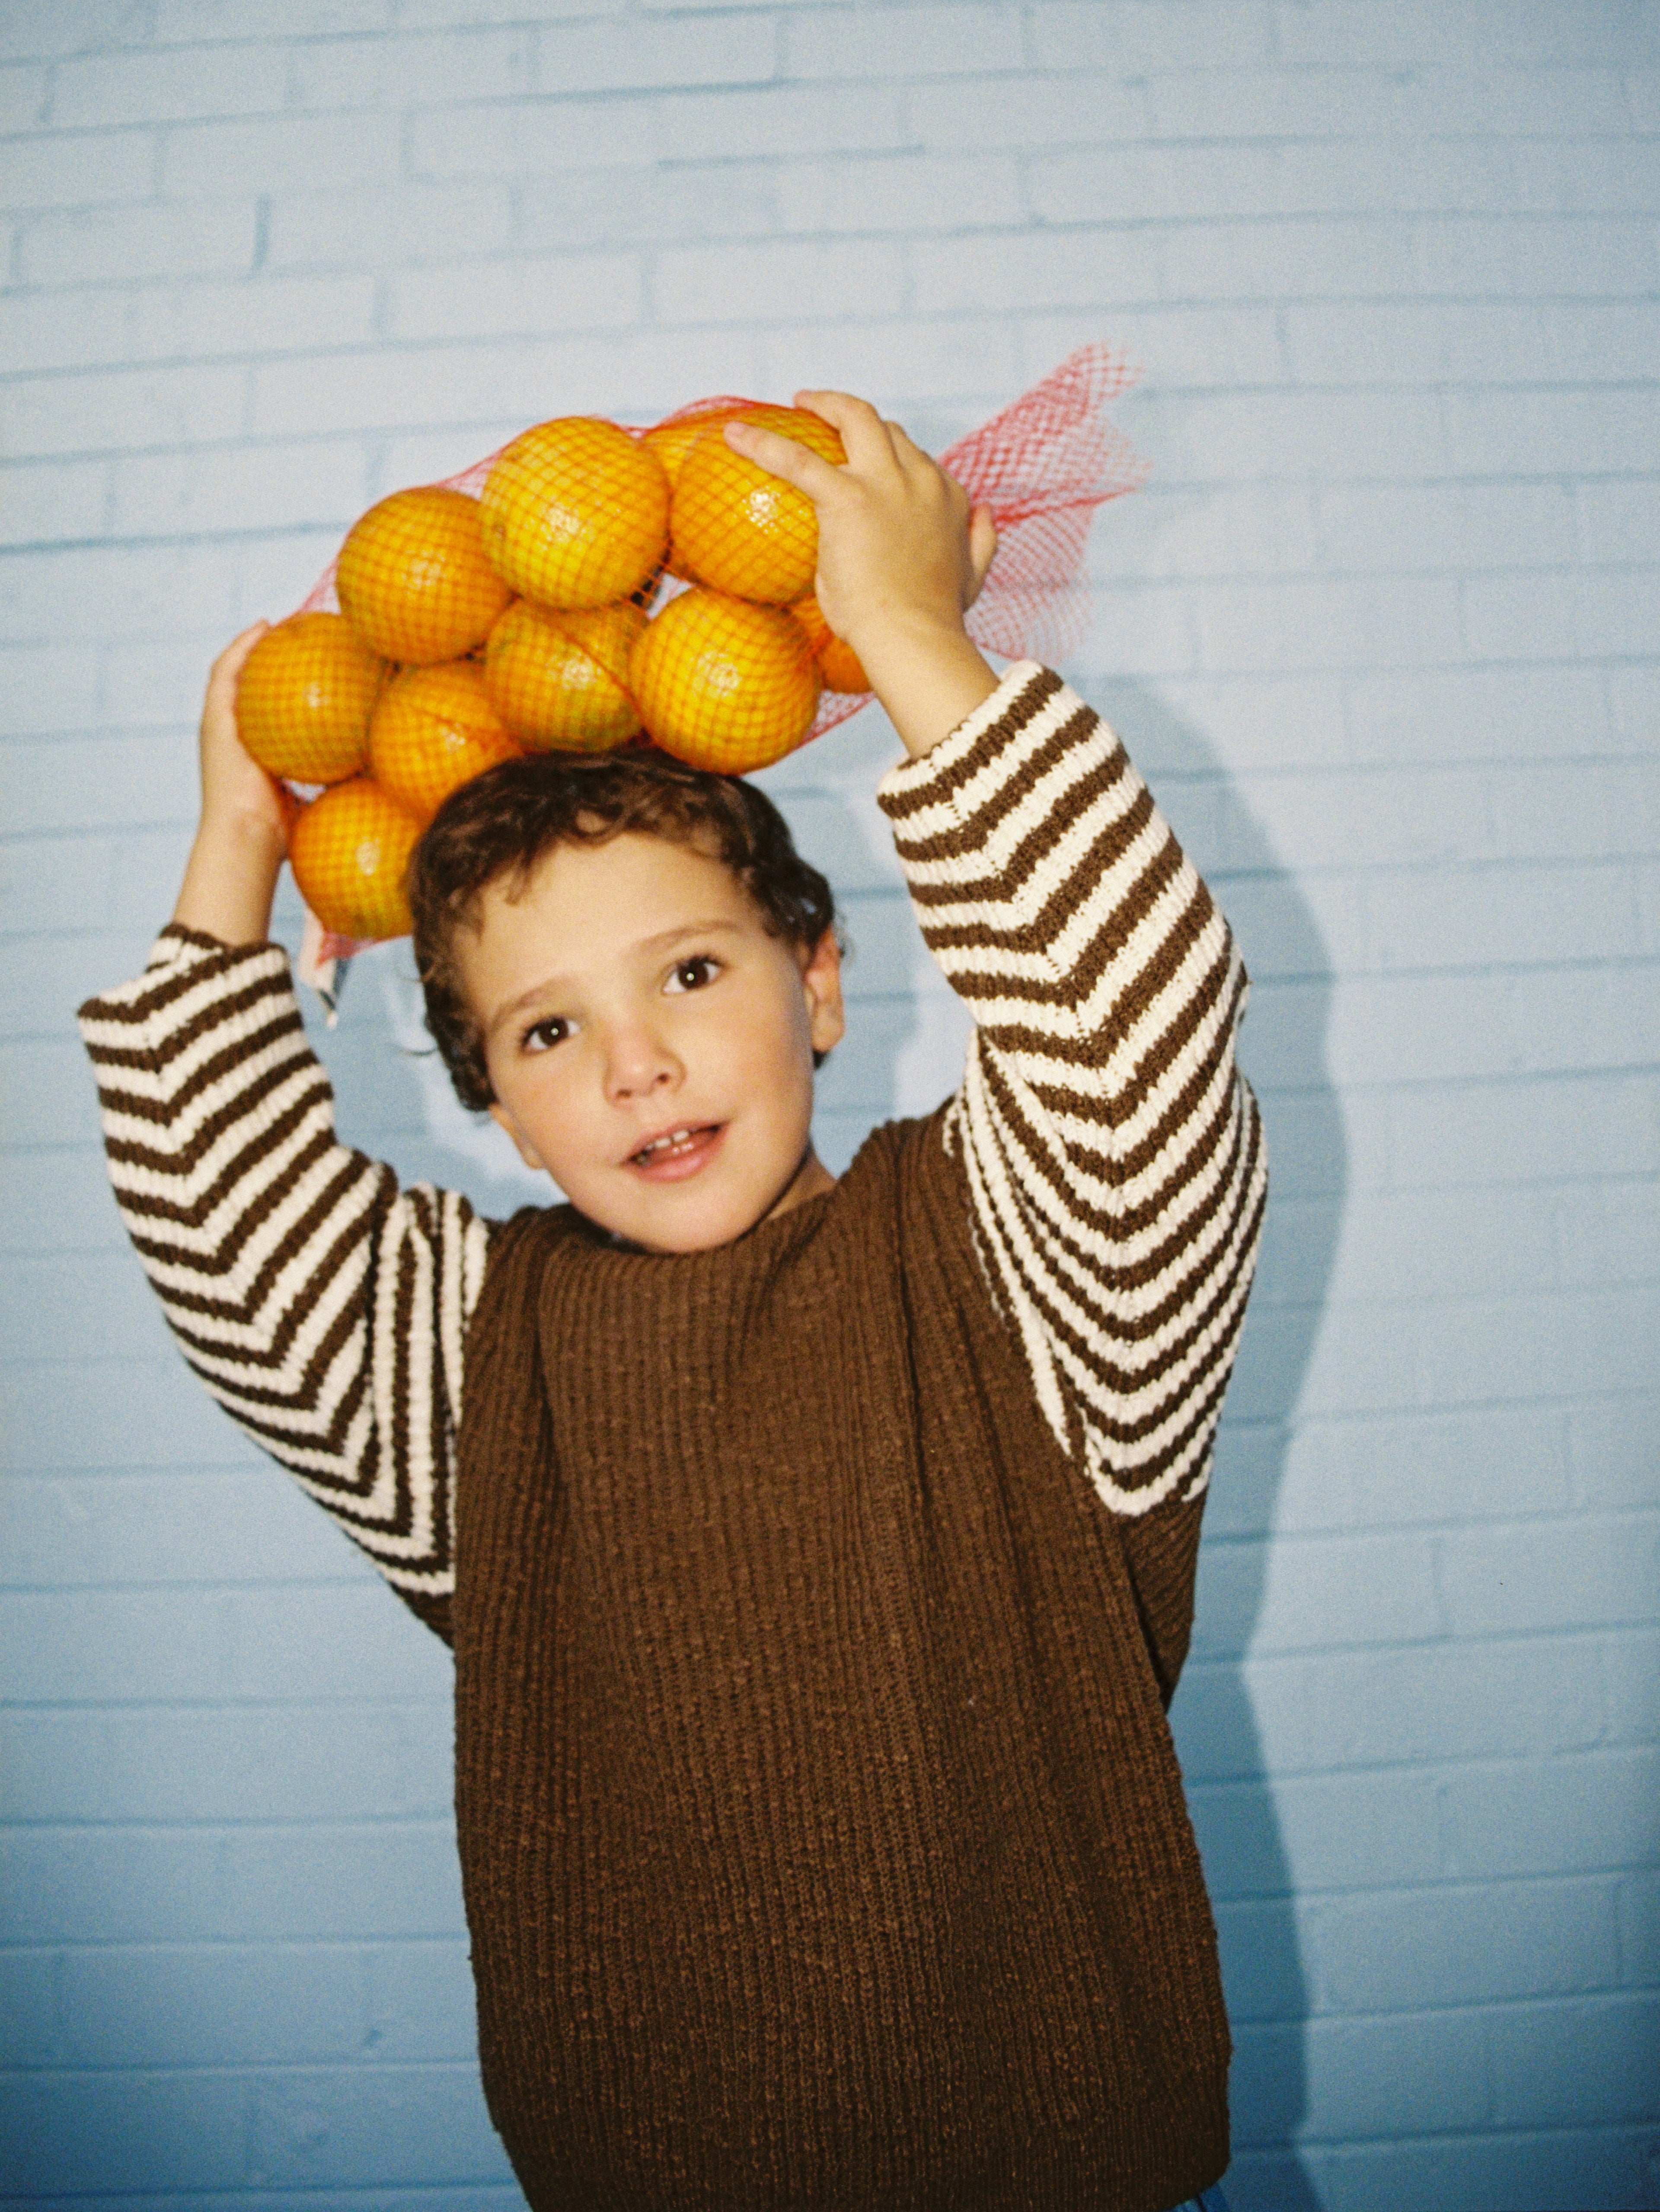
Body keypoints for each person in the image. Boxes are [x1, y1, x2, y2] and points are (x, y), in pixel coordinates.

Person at [81, 394, 1265, 2212]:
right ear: (497, 1103)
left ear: (818, 980)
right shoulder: (476, 1376)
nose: (632, 1064)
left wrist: (908, 634)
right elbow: (219, 1219)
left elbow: (1138, 1032)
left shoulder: (1010, 1270)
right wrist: (244, 839)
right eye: (547, 1029)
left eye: (692, 974)